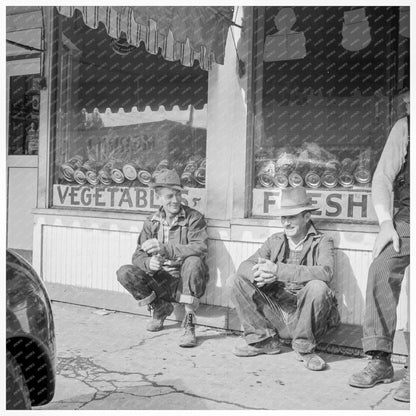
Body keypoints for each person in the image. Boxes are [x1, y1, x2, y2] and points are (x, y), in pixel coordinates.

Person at [228, 187, 340, 371]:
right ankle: (264, 340)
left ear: (306, 217)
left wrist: (278, 270)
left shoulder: (323, 241)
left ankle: (305, 350)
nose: (286, 223)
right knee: (235, 280)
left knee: (317, 286)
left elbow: (325, 272)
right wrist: (259, 274)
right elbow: (244, 266)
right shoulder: (275, 240)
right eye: (283, 217)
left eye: (292, 217)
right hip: (277, 312)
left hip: (305, 317)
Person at [349, 90, 410, 402]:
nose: (409, 105)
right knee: (381, 268)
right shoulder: (404, 128)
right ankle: (380, 359)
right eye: (408, 101)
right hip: (407, 218)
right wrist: (386, 222)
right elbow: (383, 178)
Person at [117, 169, 209, 348]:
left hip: (184, 281)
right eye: (169, 196)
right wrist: (148, 263)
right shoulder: (151, 222)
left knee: (194, 261)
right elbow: (138, 255)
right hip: (160, 282)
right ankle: (160, 307)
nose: (175, 200)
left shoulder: (194, 218)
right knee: (125, 272)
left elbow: (200, 247)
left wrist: (165, 249)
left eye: (177, 195)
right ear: (158, 198)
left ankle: (189, 323)